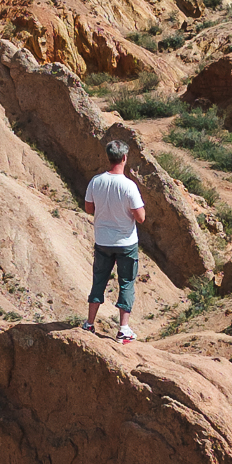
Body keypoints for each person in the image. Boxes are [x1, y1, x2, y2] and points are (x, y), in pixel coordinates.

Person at [83, 137, 145, 343]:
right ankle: (123, 329)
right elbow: (141, 217)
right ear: (125, 158)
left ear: (109, 158)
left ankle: (89, 323)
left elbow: (89, 208)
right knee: (126, 283)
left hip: (102, 240)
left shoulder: (96, 181)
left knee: (99, 280)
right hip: (125, 242)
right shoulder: (129, 186)